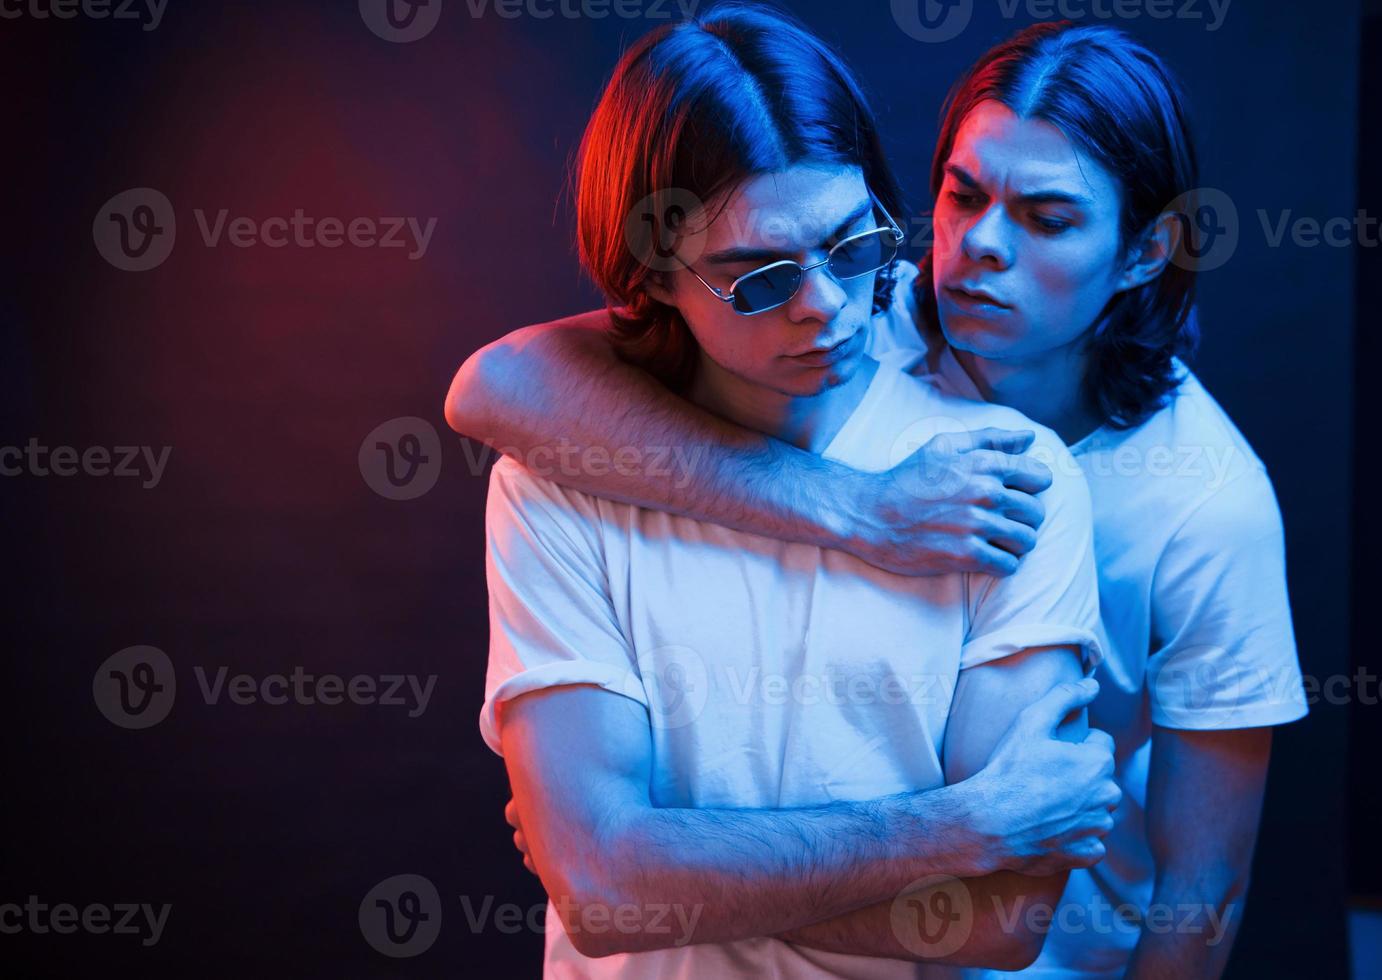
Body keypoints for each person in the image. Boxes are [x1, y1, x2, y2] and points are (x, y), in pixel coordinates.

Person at [448, 15, 1310, 980]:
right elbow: (494, 388)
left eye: (1049, 219)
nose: (980, 246)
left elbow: (1198, 891)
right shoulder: (862, 304)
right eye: (963, 193)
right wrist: (860, 508)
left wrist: (660, 888)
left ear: (1148, 251)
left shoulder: (1205, 505)